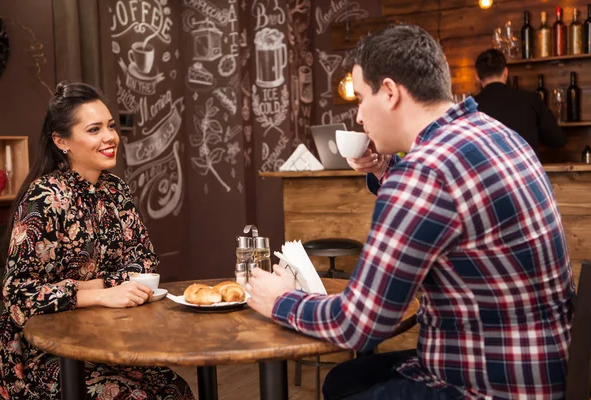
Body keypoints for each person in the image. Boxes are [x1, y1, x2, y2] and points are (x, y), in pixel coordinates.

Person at [246, 24, 574, 400]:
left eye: (360, 99)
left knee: (347, 383)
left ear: (389, 93)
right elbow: (447, 208)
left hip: (490, 386)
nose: (358, 117)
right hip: (541, 365)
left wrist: (280, 300)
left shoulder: (424, 173)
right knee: (345, 380)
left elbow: (358, 325)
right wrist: (386, 170)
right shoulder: (495, 134)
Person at [0, 82, 195, 399]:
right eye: (94, 129)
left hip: (104, 336)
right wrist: (102, 294)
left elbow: (145, 265)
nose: (109, 137)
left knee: (175, 392)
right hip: (43, 350)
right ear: (61, 141)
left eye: (110, 126)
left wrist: (93, 287)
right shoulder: (44, 199)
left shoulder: (116, 191)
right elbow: (18, 295)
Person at [474, 48, 566, 157]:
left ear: (477, 77)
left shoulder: (470, 107)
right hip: (525, 171)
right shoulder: (530, 100)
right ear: (505, 72)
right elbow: (557, 140)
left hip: (487, 172)